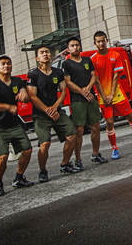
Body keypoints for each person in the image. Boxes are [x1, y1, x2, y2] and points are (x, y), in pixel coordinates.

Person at [92, 31, 132, 159]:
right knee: (109, 122)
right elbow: (96, 80)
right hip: (102, 96)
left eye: (103, 40)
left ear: (106, 40)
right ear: (95, 43)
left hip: (117, 93)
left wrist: (111, 94)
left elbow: (116, 76)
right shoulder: (93, 59)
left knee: (130, 116)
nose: (101, 43)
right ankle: (114, 148)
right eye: (98, 41)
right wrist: (105, 97)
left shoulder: (115, 55)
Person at [27, 45, 81, 183]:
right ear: (37, 58)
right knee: (45, 143)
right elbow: (32, 96)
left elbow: (63, 90)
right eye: (42, 53)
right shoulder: (33, 75)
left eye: (47, 52)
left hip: (57, 111)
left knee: (72, 134)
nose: (45, 54)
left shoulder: (58, 72)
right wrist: (47, 110)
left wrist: (55, 107)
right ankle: (43, 170)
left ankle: (65, 164)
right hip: (41, 114)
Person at [0, 55, 34, 196]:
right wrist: (7, 106)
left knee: (27, 150)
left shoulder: (17, 81)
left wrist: (24, 95)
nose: (6, 66)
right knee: (3, 156)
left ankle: (18, 178)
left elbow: (27, 97)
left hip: (14, 125)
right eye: (3, 64)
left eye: (9, 64)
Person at [62, 37, 108, 169]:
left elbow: (94, 76)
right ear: (68, 49)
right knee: (79, 129)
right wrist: (82, 92)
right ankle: (78, 159)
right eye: (72, 45)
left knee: (96, 126)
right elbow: (68, 81)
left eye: (77, 45)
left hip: (91, 98)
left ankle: (96, 154)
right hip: (77, 100)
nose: (75, 47)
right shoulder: (67, 64)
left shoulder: (87, 61)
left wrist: (88, 89)